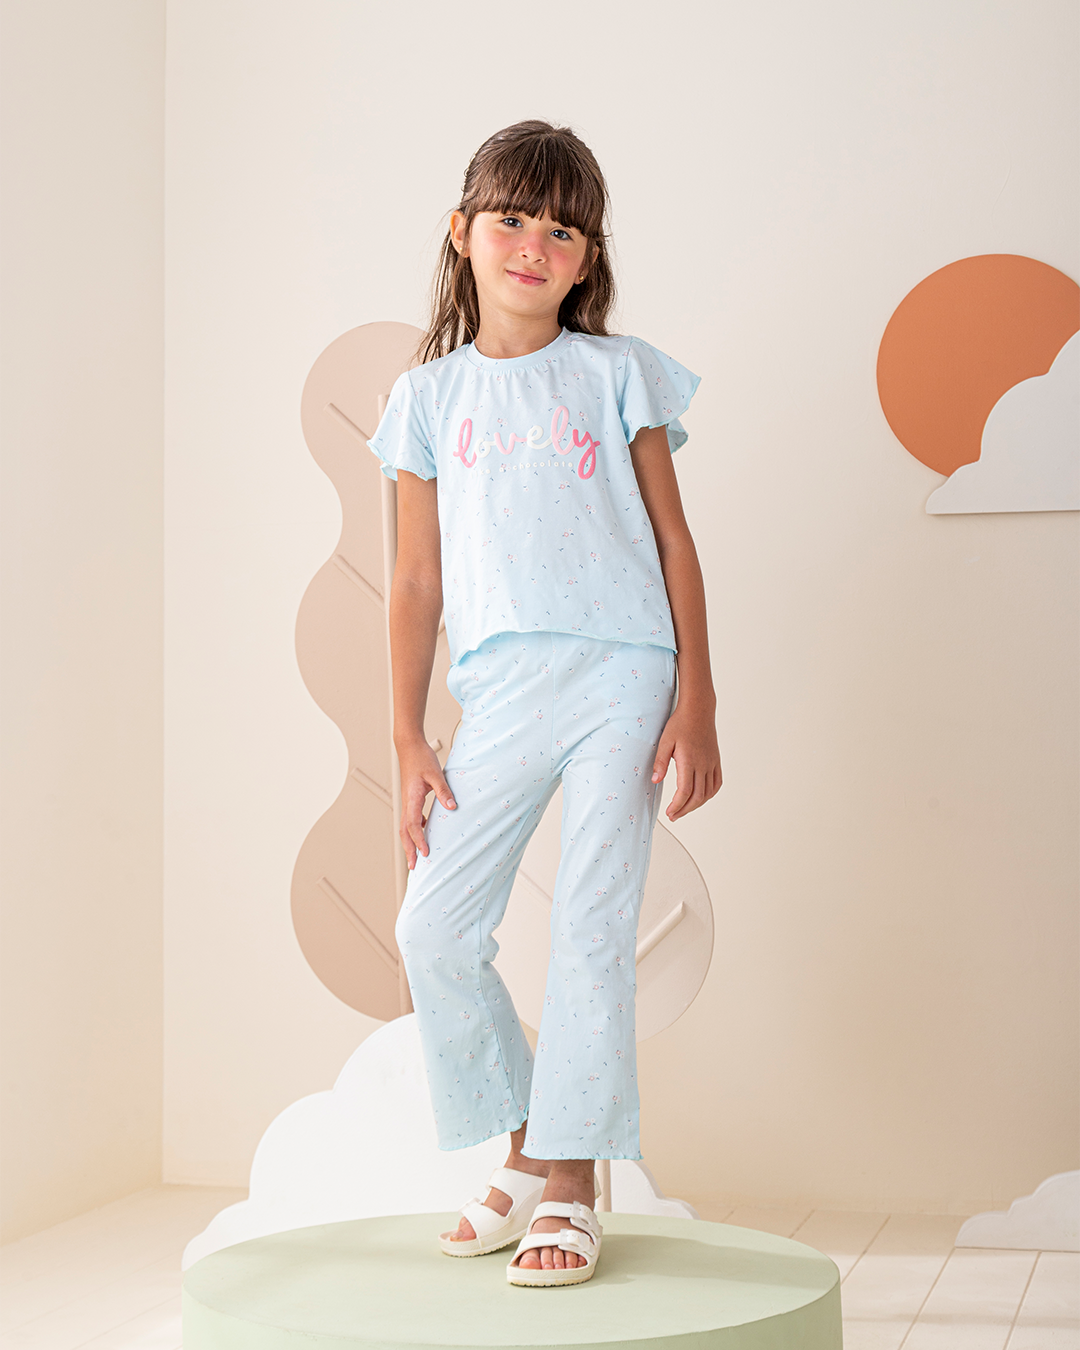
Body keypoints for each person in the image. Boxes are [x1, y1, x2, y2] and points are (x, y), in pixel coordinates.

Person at [367, 119, 722, 1287]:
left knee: (590, 923)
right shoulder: (425, 398)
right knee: (432, 927)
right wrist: (407, 736)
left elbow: (674, 540)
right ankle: (528, 1143)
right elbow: (415, 583)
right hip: (501, 686)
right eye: (512, 219)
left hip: (625, 671)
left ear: (586, 259)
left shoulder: (619, 374)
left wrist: (699, 699)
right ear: (462, 231)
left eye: (562, 229)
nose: (534, 243)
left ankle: (572, 1181)